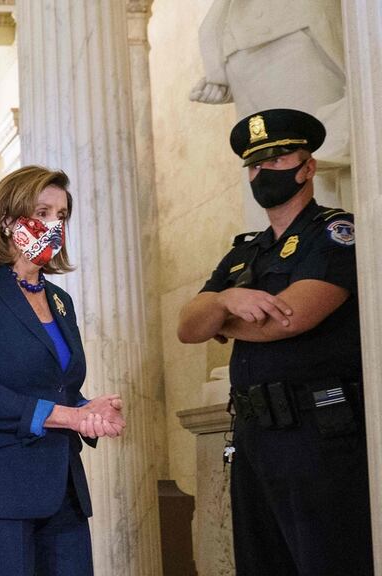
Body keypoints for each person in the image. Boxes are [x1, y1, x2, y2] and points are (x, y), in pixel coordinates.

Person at [177, 108, 370, 575]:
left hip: (317, 432)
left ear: (308, 167)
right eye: (255, 164)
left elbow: (292, 316)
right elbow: (188, 326)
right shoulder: (245, 251)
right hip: (254, 433)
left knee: (327, 561)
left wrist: (223, 320)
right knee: (263, 563)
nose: (263, 172)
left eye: (279, 158)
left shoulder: (334, 233)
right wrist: (227, 299)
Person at [0, 165, 126, 576]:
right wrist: (67, 415)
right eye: (42, 213)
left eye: (61, 216)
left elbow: (57, 387)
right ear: (8, 220)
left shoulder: (60, 300)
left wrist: (87, 408)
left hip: (62, 487)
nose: (53, 226)